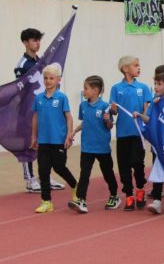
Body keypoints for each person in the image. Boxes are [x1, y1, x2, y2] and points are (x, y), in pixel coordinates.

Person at [14, 27, 63, 192]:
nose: (38, 43)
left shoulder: (41, 62)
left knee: (43, 143)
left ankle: (45, 176)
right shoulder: (22, 64)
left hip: (42, 108)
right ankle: (29, 180)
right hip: (27, 109)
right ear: (25, 42)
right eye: (34, 40)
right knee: (29, 143)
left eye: (39, 40)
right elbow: (22, 90)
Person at [68, 76, 120, 213]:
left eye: (86, 88)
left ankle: (114, 195)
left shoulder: (104, 106)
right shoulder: (83, 106)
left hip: (102, 147)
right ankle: (81, 200)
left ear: (95, 90)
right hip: (87, 147)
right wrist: (74, 131)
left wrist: (108, 120)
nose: (83, 91)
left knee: (107, 173)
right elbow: (86, 122)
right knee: (84, 174)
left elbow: (109, 126)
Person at [30, 64, 78, 213]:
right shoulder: (38, 98)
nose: (48, 81)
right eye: (46, 78)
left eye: (51, 78)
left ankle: (75, 185)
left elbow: (68, 118)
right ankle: (46, 201)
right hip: (43, 140)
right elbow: (35, 118)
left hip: (58, 140)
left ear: (58, 80)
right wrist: (33, 137)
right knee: (43, 170)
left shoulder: (62, 97)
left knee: (59, 167)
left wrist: (69, 135)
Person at [109, 56, 152, 211]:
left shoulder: (143, 87)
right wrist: (112, 109)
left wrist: (141, 116)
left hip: (138, 133)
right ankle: (128, 195)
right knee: (124, 165)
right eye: (136, 65)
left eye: (139, 65)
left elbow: (147, 108)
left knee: (138, 163)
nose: (139, 68)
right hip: (123, 133)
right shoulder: (116, 88)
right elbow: (114, 110)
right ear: (125, 69)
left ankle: (140, 189)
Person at [139, 71, 164, 215]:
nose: (155, 87)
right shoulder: (155, 102)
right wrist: (140, 116)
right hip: (159, 143)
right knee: (158, 167)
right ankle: (157, 200)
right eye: (155, 83)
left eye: (159, 84)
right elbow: (149, 119)